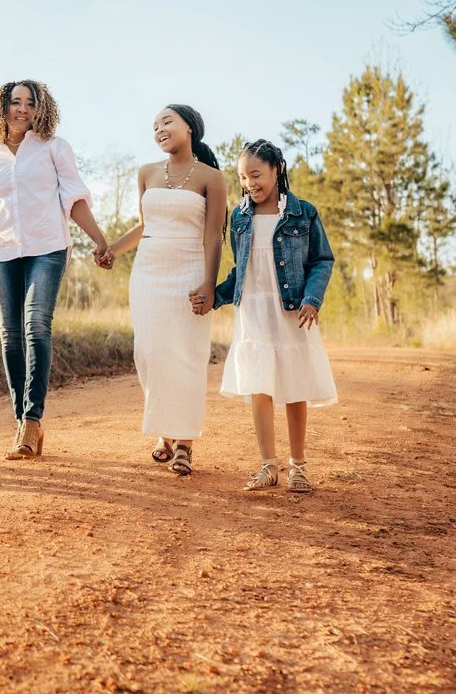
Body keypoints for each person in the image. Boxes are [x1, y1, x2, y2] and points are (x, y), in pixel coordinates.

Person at [0, 79, 108, 461]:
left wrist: (99, 239)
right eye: (15, 102)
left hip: (47, 247)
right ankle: (22, 422)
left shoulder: (54, 148)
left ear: (40, 108)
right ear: (1, 108)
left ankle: (33, 419)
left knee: (35, 325)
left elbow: (74, 199)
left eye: (29, 102)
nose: (22, 109)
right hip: (4, 252)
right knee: (10, 336)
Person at [97, 105, 227, 477]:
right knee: (149, 353)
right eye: (154, 126)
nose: (159, 129)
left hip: (190, 268)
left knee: (186, 354)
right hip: (149, 270)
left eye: (166, 121)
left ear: (190, 127)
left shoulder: (212, 178)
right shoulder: (146, 173)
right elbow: (143, 226)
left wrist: (209, 283)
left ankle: (184, 442)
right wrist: (112, 251)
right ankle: (164, 429)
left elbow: (213, 236)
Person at [214, 139, 337, 494]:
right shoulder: (239, 216)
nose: (249, 183)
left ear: (276, 170)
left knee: (295, 386)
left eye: (256, 174)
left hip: (292, 311)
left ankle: (299, 467)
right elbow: (242, 269)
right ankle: (268, 466)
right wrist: (217, 296)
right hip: (253, 309)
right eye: (242, 177)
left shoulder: (303, 212)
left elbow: (321, 261)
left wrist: (313, 298)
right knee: (258, 385)